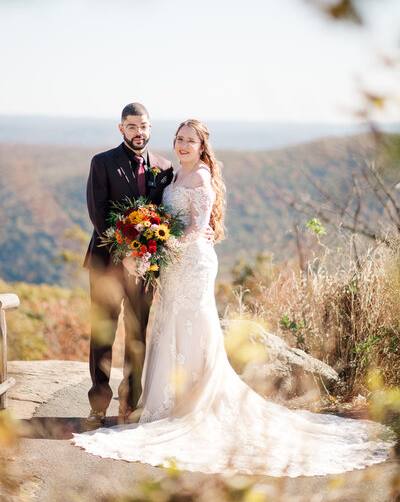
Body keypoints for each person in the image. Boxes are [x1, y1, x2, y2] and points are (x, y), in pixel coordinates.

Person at [74, 119, 394, 476]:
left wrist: (160, 245)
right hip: (159, 265)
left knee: (182, 329)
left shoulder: (191, 175)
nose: (182, 145)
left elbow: (196, 227)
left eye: (189, 140)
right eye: (179, 138)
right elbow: (134, 212)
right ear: (123, 128)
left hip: (189, 263)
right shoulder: (168, 174)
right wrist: (148, 244)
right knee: (159, 329)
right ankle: (137, 403)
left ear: (201, 145)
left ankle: (177, 402)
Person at [84, 103, 173, 428]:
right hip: (107, 264)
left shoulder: (164, 168)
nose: (139, 132)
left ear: (150, 128)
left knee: (137, 334)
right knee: (103, 333)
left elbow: (165, 217)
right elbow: (99, 212)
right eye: (133, 126)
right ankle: (98, 406)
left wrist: (145, 255)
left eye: (144, 126)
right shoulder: (103, 162)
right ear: (121, 128)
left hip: (147, 267)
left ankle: (130, 406)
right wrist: (126, 252)